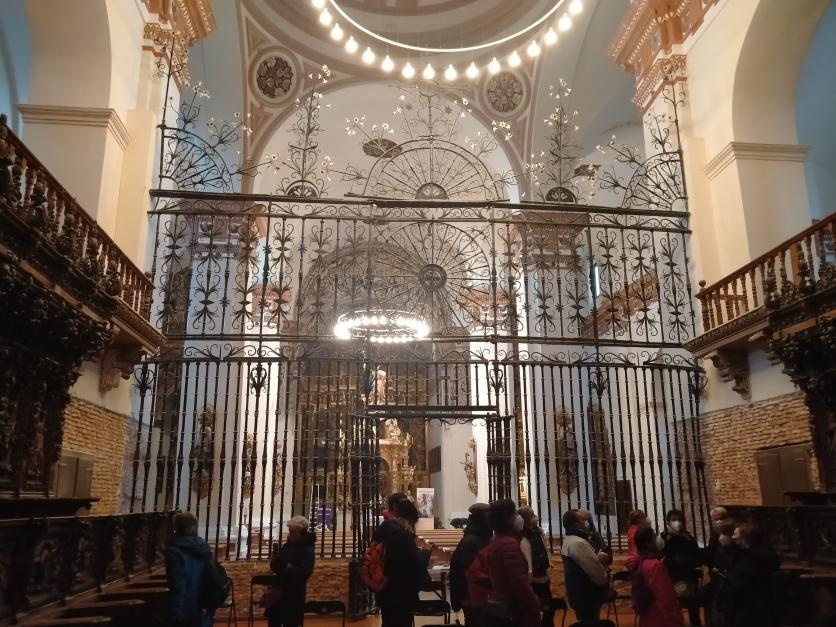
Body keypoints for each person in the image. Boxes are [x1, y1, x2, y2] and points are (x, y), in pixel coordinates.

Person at [486, 499, 541, 627]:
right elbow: (519, 582)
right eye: (515, 514)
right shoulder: (509, 544)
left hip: (502, 601)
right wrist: (535, 605)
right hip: (516, 608)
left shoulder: (496, 540)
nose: (518, 517)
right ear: (507, 519)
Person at [378, 499, 427, 627]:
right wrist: (422, 557)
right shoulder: (403, 535)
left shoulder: (386, 528)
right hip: (400, 594)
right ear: (411, 520)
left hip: (384, 588)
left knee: (388, 622)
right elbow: (408, 567)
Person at [722, 524, 780, 627]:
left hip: (751, 606)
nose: (733, 537)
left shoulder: (752, 557)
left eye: (735, 534)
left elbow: (743, 580)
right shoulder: (741, 554)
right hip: (743, 605)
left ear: (744, 537)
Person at [165, 512, 217, 627]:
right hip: (203, 604)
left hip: (184, 607)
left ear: (176, 528)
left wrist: (176, 611)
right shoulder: (205, 548)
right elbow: (211, 577)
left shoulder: (174, 551)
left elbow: (177, 584)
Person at [560, 509, 610, 621]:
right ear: (575, 523)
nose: (586, 522)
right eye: (582, 520)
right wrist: (603, 575)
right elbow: (594, 570)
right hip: (586, 594)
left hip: (579, 592)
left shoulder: (571, 540)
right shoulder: (578, 543)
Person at [266, 515, 316, 627]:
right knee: (273, 621)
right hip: (280, 591)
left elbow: (306, 572)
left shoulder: (307, 549)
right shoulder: (287, 546)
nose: (289, 534)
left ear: (301, 533)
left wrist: (289, 568)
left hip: (294, 594)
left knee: (290, 623)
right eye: (289, 531)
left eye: (293, 532)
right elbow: (278, 568)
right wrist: (275, 562)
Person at [450, 503, 492, 627]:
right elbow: (469, 573)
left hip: (482, 596)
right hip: (473, 598)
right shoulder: (472, 541)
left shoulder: (479, 537)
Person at [632, 526, 684, 627]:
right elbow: (665, 599)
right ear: (648, 543)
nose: (658, 539)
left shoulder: (641, 562)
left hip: (647, 617)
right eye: (654, 537)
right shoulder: (655, 565)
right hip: (660, 618)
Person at [661, 509, 702, 626]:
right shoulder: (663, 538)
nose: (677, 523)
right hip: (671, 578)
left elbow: (696, 557)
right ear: (668, 522)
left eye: (679, 520)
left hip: (688, 577)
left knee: (692, 606)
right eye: (674, 520)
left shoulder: (688, 538)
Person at [518, 506, 553, 627]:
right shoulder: (520, 535)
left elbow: (545, 548)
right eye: (532, 515)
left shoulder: (538, 531)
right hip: (530, 578)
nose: (536, 518)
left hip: (543, 575)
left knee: (548, 609)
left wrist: (548, 564)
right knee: (532, 611)